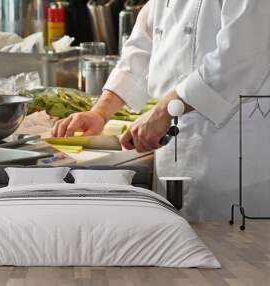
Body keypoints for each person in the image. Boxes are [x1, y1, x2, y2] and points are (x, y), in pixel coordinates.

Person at [52, 0, 270, 221]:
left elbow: (238, 58)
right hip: (171, 156)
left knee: (231, 249)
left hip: (232, 159)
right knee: (177, 247)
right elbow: (143, 46)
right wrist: (100, 112)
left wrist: (162, 112)